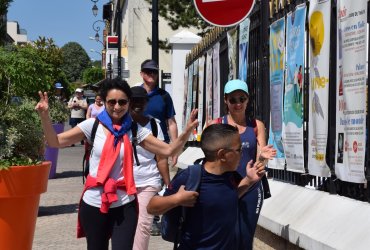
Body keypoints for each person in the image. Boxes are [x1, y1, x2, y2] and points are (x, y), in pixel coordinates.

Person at [35, 78, 198, 250]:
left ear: (128, 102)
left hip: (125, 204)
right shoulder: (93, 125)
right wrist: (45, 116)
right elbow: (54, 142)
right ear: (104, 102)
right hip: (94, 203)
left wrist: (186, 132)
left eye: (122, 102)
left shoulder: (134, 129)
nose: (117, 107)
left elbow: (168, 151)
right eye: (112, 102)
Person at [147, 124, 269, 249]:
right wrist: (177, 199)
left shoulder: (230, 176)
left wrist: (249, 180)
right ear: (222, 155)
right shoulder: (190, 177)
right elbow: (151, 207)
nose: (242, 154)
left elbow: (229, 197)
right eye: (239, 150)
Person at [211, 79, 277, 250]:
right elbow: (210, 160)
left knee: (245, 238)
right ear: (226, 100)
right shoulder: (215, 125)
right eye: (233, 99)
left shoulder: (256, 125)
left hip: (252, 189)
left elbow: (260, 164)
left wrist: (262, 158)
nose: (238, 103)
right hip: (224, 188)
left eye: (242, 98)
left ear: (248, 100)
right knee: (225, 236)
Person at [139, 59, 178, 235]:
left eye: (154, 72)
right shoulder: (136, 94)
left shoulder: (164, 96)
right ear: (141, 74)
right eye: (147, 72)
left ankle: (153, 218)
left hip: (160, 146)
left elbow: (171, 122)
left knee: (159, 181)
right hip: (139, 146)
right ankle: (143, 214)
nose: (151, 75)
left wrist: (175, 147)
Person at [129, 86, 170, 250]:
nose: (138, 104)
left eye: (141, 100)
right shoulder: (121, 124)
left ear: (146, 103)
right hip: (124, 182)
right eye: (134, 101)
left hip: (148, 181)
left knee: (143, 224)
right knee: (125, 225)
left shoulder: (154, 125)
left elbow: (161, 157)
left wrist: (168, 182)